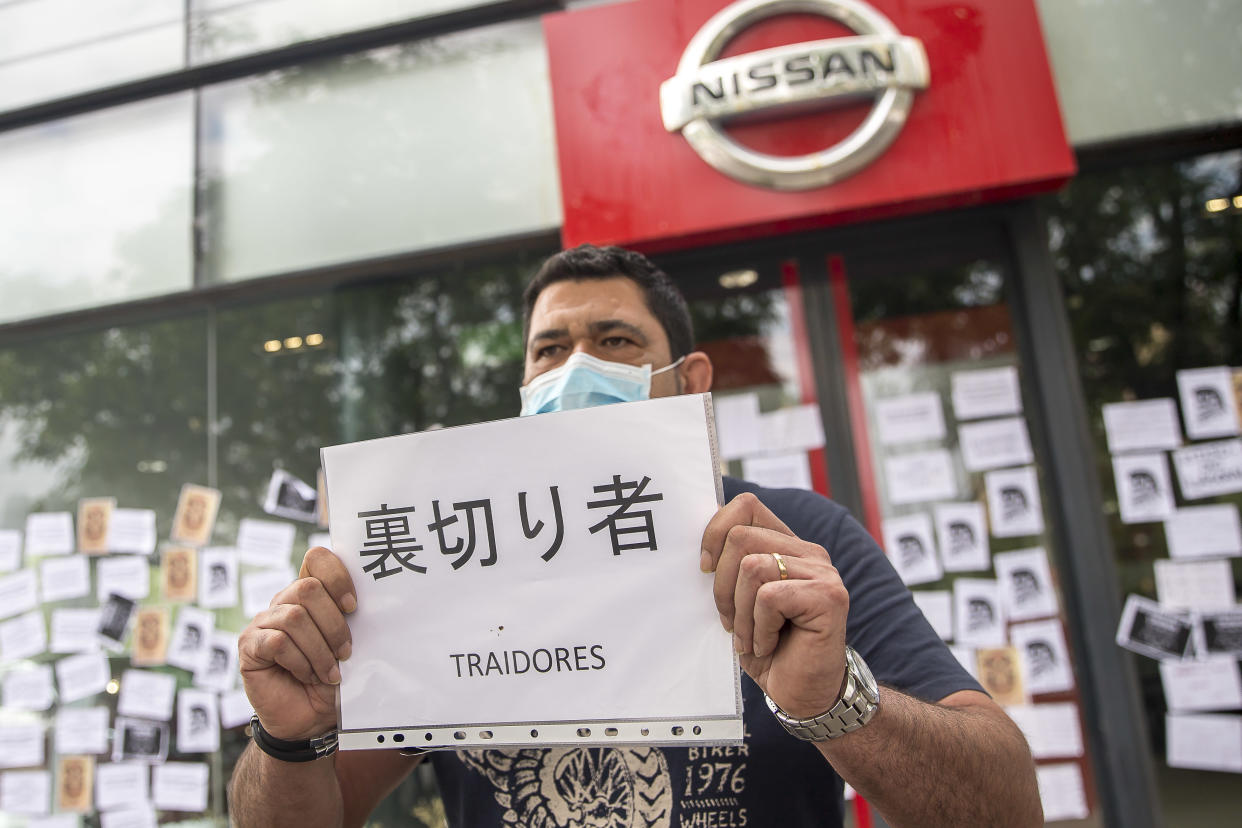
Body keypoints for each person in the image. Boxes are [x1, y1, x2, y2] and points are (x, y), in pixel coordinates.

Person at [230, 244, 1042, 827]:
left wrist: (836, 701)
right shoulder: (444, 560)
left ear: (688, 382)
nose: (574, 368)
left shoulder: (793, 545)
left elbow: (1007, 811)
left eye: (614, 342)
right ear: (523, 389)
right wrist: (288, 736)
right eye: (549, 351)